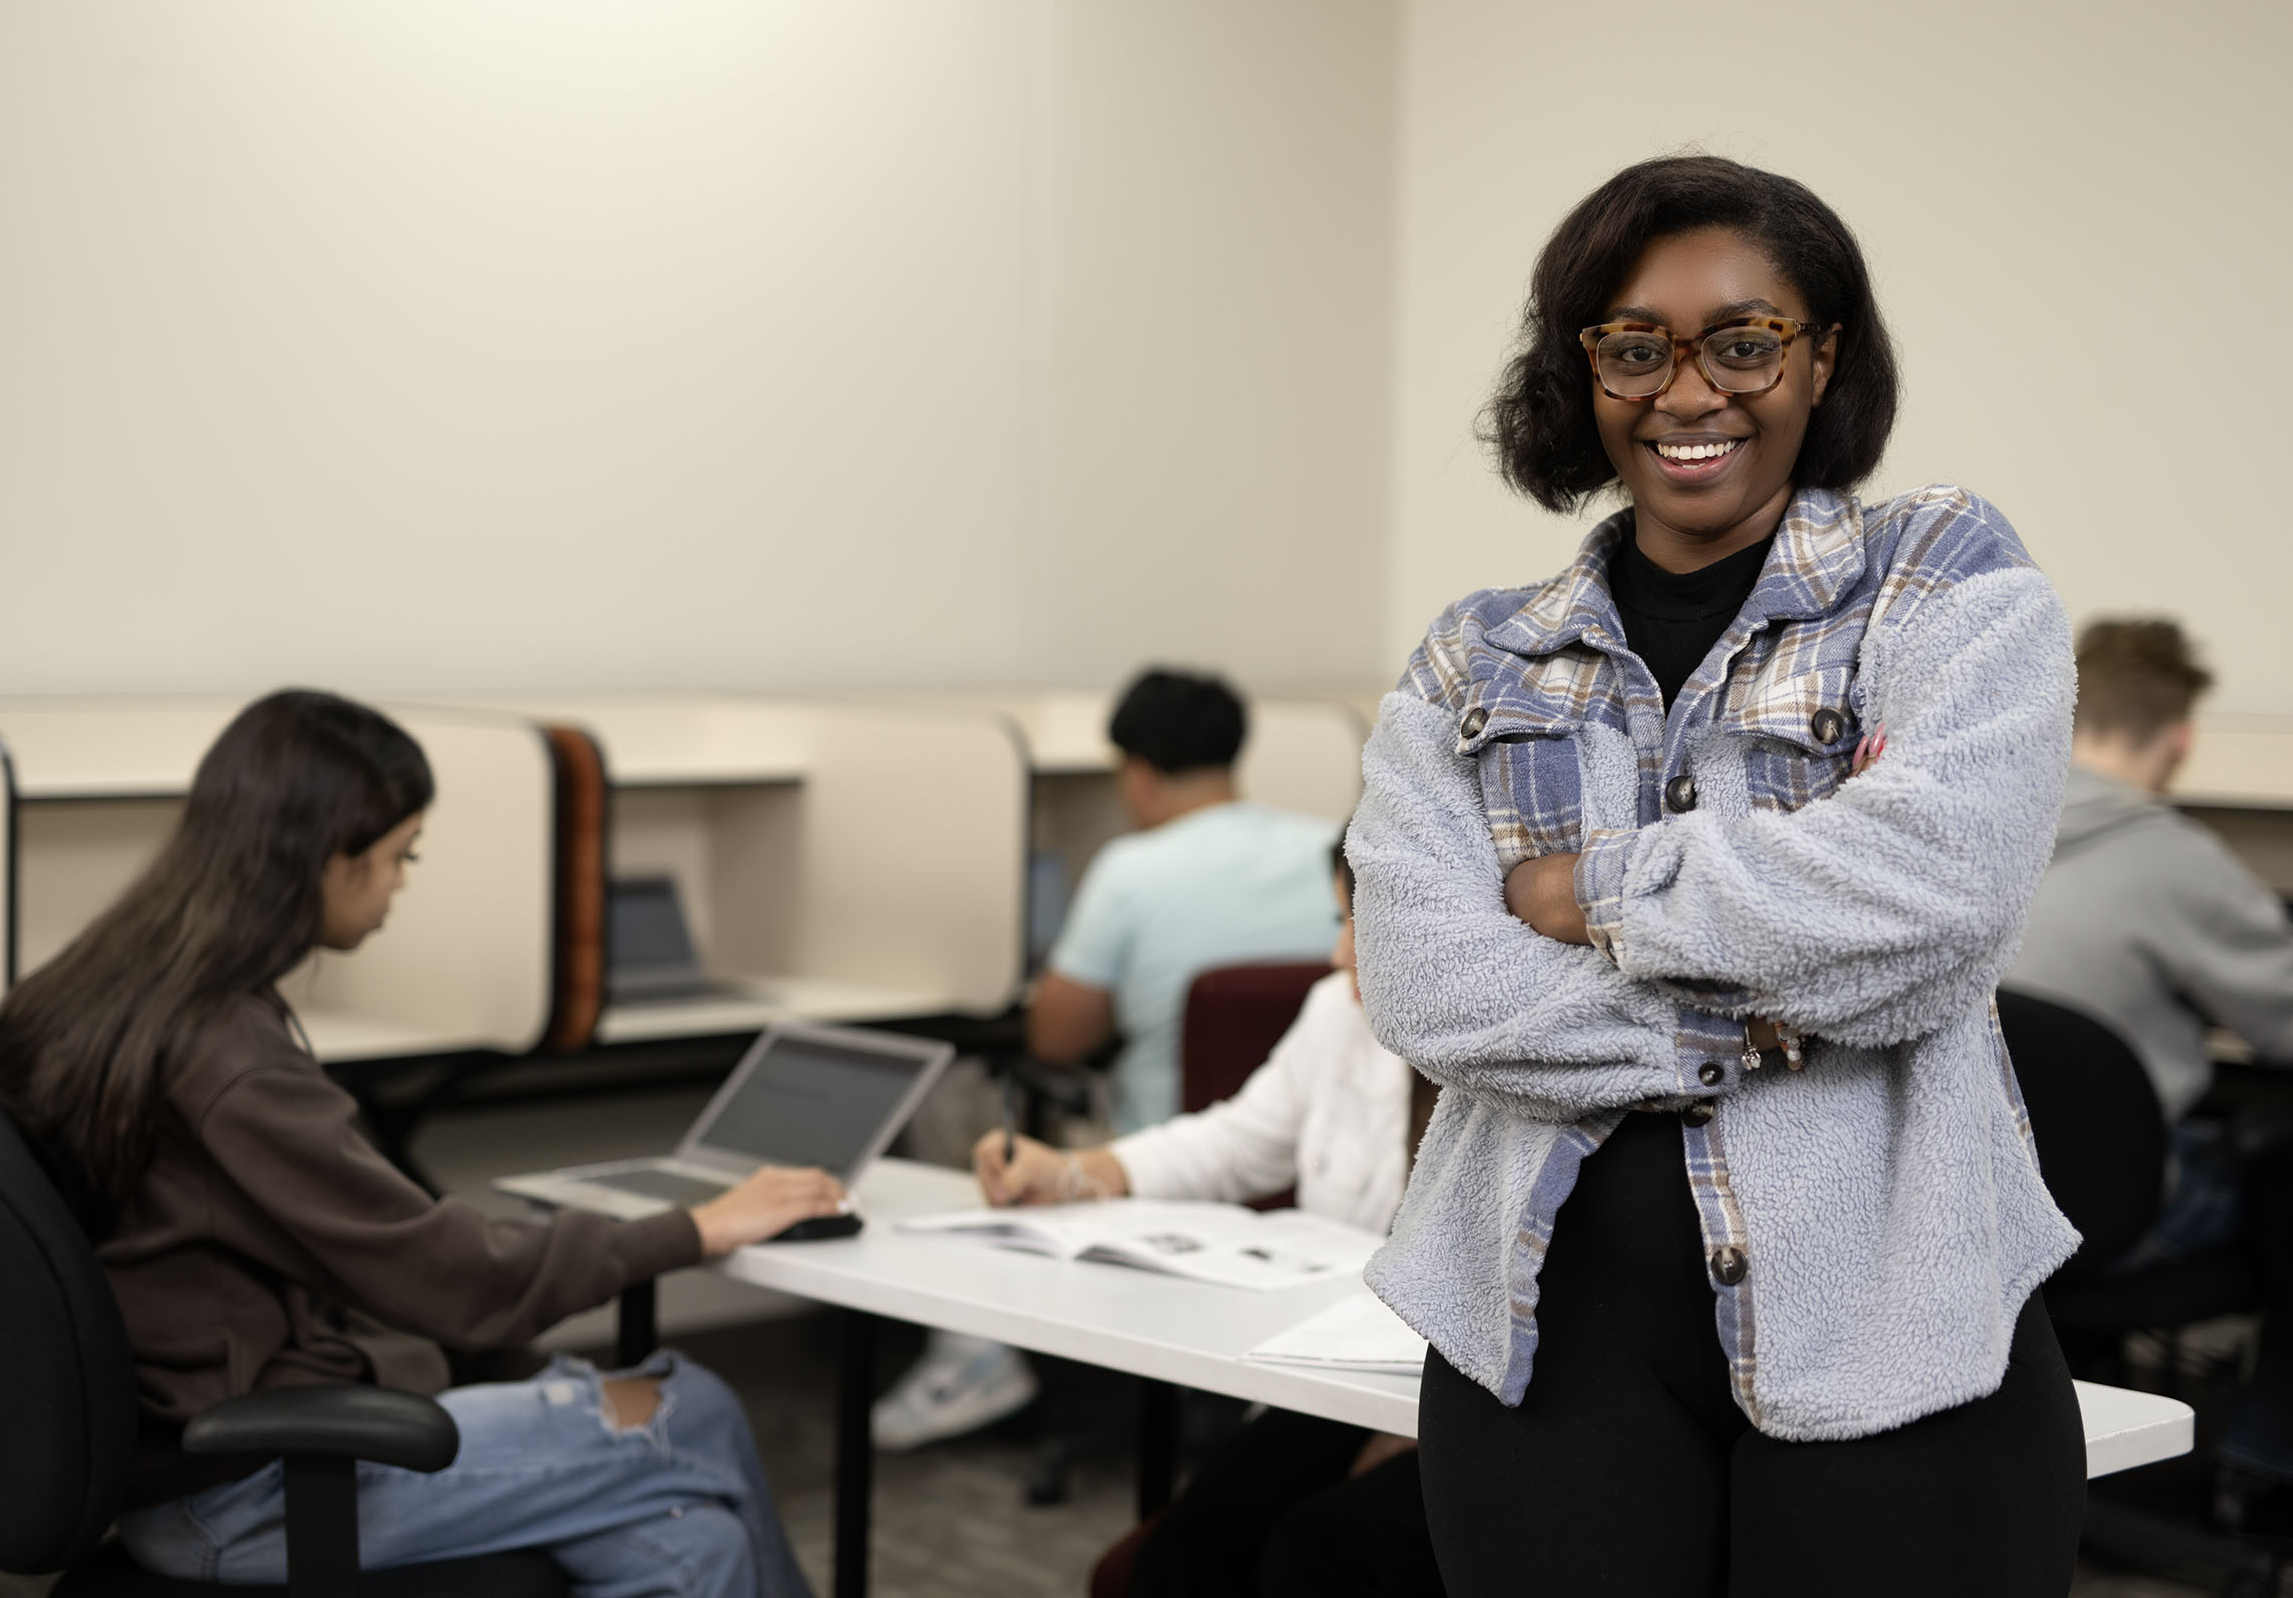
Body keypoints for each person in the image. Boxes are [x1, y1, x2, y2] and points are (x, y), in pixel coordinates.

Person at [1351, 155, 2085, 1596]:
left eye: (1745, 340)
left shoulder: (1939, 573)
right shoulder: (1474, 654)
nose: (1689, 392)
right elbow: (1427, 980)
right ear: (1586, 372)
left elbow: (1935, 895)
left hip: (1894, 1328)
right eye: (1636, 346)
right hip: (1538, 1341)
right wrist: (1762, 1015)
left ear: (1823, 358)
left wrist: (1590, 893)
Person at [0, 690, 837, 1596]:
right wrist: (697, 1228)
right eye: (397, 856)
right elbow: (452, 1278)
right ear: (322, 858)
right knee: (692, 1409)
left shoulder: (97, 992)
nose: (402, 884)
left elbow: (371, 1269)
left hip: (200, 1460)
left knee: (700, 1551)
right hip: (251, 1490)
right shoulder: (228, 1057)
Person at [872, 667, 1343, 1450]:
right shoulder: (1327, 844)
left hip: (1165, 1148)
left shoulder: (1131, 869)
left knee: (952, 1088)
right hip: (1306, 1155)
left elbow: (1055, 1040)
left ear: (1138, 772)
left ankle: (976, 1355)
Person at [972, 838, 1439, 1598]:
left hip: (1477, 1408)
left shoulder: (1536, 1057)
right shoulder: (1338, 1013)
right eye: (1338, 918)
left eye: (1362, 925)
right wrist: (1076, 1172)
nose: (1337, 953)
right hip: (1345, 1373)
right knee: (1188, 1549)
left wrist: (1420, 1428)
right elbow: (1238, 1143)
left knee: (1318, 1553)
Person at [2004, 618, 2293, 1511]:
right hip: (2115, 1219)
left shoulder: (1974, 831)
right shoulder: (2175, 859)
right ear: (2179, 740)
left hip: (1965, 1200)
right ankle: (2266, 1464)